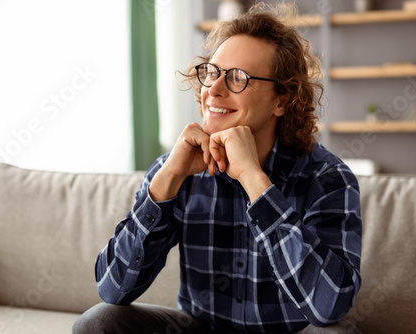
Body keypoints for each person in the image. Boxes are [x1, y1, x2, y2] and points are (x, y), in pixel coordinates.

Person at [73, 3, 362, 334]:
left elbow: (330, 306)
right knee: (99, 322)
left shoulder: (328, 178)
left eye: (238, 77)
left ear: (282, 100)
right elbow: (113, 289)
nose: (214, 89)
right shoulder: (176, 169)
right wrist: (167, 179)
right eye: (212, 72)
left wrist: (256, 182)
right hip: (201, 329)